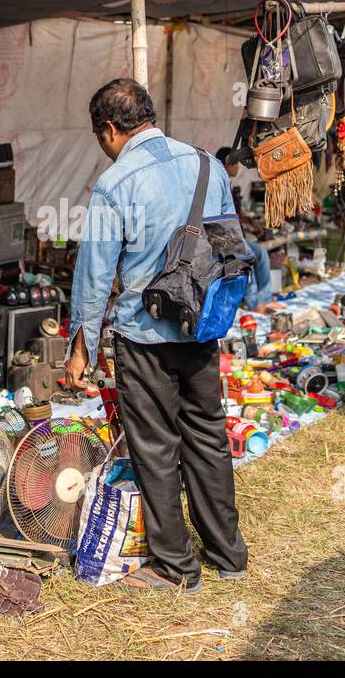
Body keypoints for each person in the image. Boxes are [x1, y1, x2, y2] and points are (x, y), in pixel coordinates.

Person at [65, 78, 247, 594]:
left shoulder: (115, 183)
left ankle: (174, 565)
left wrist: (82, 348)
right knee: (209, 436)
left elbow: (95, 275)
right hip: (200, 328)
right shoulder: (208, 166)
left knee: (156, 446)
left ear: (109, 130)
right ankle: (227, 554)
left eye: (100, 136)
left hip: (144, 335)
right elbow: (229, 247)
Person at [216, 145, 273, 312]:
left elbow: (236, 213)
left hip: (235, 236)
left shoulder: (229, 184)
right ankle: (253, 303)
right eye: (235, 164)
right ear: (227, 164)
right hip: (223, 240)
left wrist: (250, 222)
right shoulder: (217, 183)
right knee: (247, 256)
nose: (238, 167)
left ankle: (265, 298)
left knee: (261, 252)